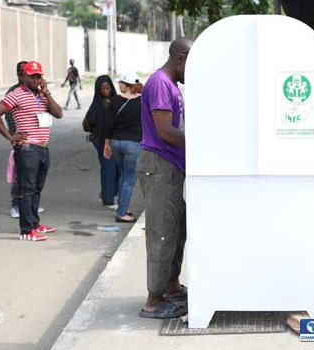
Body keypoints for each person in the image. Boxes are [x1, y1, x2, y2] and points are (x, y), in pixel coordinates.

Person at [137, 38, 192, 319]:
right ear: (180, 58)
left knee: (177, 231)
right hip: (160, 165)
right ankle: (154, 299)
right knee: (161, 232)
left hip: (173, 166)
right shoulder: (160, 84)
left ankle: (171, 286)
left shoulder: (172, 86)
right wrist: (202, 142)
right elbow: (165, 132)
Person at [0, 61, 63, 241]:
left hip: (43, 148)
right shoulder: (16, 94)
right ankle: (27, 230)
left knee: (36, 188)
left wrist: (47, 94)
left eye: (39, 76)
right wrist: (10, 136)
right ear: (23, 77)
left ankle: (35, 224)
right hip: (28, 148)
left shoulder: (42, 95)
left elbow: (58, 113)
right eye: (32, 76)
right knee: (27, 189)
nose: (37, 79)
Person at [5, 61, 46, 219]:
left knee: (32, 176)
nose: (34, 77)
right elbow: (7, 115)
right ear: (20, 74)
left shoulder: (36, 91)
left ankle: (30, 206)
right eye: (26, 72)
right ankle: (16, 205)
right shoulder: (14, 92)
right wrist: (13, 136)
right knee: (20, 174)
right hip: (22, 140)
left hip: (37, 141)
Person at [103, 73, 143, 223]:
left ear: (127, 85)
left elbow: (108, 124)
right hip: (133, 144)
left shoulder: (114, 102)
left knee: (123, 175)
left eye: (121, 82)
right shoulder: (142, 101)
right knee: (129, 178)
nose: (119, 85)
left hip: (116, 143)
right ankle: (121, 213)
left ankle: (123, 208)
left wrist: (106, 144)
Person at [84, 75, 120, 210]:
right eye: (103, 88)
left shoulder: (116, 101)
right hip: (101, 140)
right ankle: (108, 199)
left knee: (116, 169)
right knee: (109, 168)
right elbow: (87, 124)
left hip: (115, 139)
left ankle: (109, 193)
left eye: (108, 88)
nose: (106, 91)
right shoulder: (97, 105)